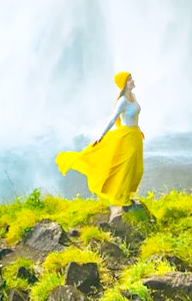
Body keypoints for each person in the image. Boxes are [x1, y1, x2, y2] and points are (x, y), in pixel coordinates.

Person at [56, 71, 144, 205]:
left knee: (137, 168)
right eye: (130, 79)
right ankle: (120, 197)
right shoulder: (122, 101)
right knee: (126, 166)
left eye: (131, 78)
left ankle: (126, 194)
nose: (133, 81)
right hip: (126, 136)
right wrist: (101, 136)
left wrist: (139, 129)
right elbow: (112, 119)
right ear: (124, 84)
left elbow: (135, 116)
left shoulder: (134, 96)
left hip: (135, 135)